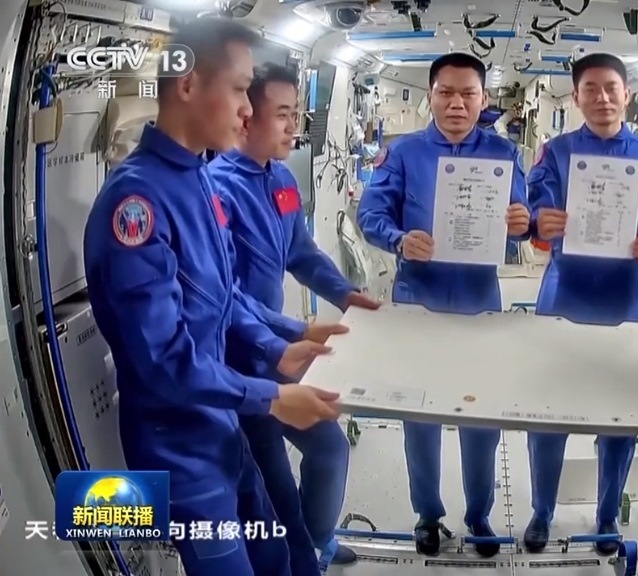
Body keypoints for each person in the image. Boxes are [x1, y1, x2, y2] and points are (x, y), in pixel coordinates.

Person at [82, 18, 343, 576]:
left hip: (222, 430)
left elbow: (225, 294)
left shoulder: (198, 178)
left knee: (276, 559)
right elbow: (163, 359)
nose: (248, 109)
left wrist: (287, 341)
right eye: (238, 89)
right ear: (187, 85)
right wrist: (270, 398)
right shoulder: (137, 204)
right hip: (179, 453)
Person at [355, 52, 531, 558]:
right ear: (430, 96)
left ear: (483, 98)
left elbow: (524, 217)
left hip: (480, 302)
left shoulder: (504, 154)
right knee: (420, 416)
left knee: (482, 417)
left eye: (467, 94)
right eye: (446, 93)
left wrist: (523, 224)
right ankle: (428, 515)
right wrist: (398, 239)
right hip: (419, 301)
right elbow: (371, 213)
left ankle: (479, 515)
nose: (457, 103)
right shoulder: (403, 152)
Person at [207, 63, 380, 573]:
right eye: (282, 114)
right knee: (275, 494)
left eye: (297, 113)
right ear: (246, 117)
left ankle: (317, 542)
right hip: (235, 361)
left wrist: (347, 295)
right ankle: (300, 558)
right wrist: (288, 334)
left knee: (329, 450)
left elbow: (301, 253)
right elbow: (225, 295)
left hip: (276, 353)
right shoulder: (217, 191)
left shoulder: (280, 179)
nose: (294, 126)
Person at [524, 52, 638, 555]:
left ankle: (607, 515)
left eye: (611, 87)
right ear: (576, 97)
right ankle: (542, 511)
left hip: (624, 297)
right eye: (590, 88)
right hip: (565, 291)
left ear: (627, 94)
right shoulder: (556, 152)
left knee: (620, 417)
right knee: (549, 413)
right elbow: (534, 206)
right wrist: (540, 221)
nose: (602, 98)